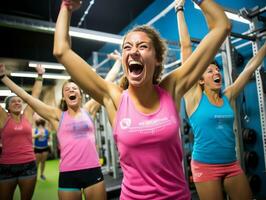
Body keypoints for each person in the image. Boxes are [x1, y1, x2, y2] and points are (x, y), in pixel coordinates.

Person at [54, 0, 231, 199]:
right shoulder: (115, 98)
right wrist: (66, 7)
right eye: (127, 47)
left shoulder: (172, 87)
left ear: (157, 59)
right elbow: (61, 50)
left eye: (142, 46)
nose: (133, 51)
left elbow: (221, 25)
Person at [175, 0, 266, 199]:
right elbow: (185, 48)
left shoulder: (228, 95)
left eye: (217, 69)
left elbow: (250, 67)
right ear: (199, 79)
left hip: (232, 164)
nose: (216, 72)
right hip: (205, 167)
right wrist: (179, 9)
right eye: (210, 71)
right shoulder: (193, 95)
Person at [0, 65, 107, 200]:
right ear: (64, 97)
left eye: (74, 88)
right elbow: (27, 98)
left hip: (93, 170)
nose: (71, 90)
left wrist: (99, 73)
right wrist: (4, 77)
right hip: (68, 174)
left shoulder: (89, 109)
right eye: (67, 89)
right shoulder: (57, 115)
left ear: (80, 94)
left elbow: (106, 87)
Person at [0, 64, 44, 200]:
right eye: (14, 101)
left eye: (19, 101)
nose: (18, 103)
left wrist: (40, 76)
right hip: (7, 166)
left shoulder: (27, 116)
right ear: (7, 107)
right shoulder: (3, 119)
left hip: (28, 165)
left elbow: (34, 96)